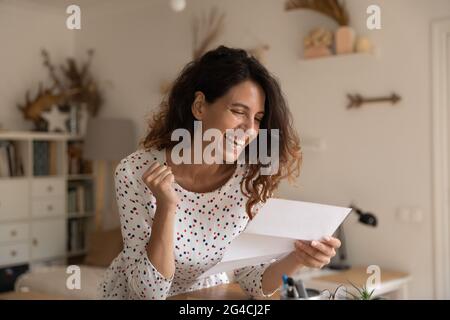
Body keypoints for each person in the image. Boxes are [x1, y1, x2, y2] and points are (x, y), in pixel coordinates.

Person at [99, 46, 340, 300]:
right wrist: (166, 207)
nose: (249, 129)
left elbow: (253, 282)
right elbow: (149, 292)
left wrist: (299, 257)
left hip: (208, 296)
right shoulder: (134, 172)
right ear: (200, 106)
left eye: (258, 118)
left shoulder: (251, 179)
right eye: (238, 112)